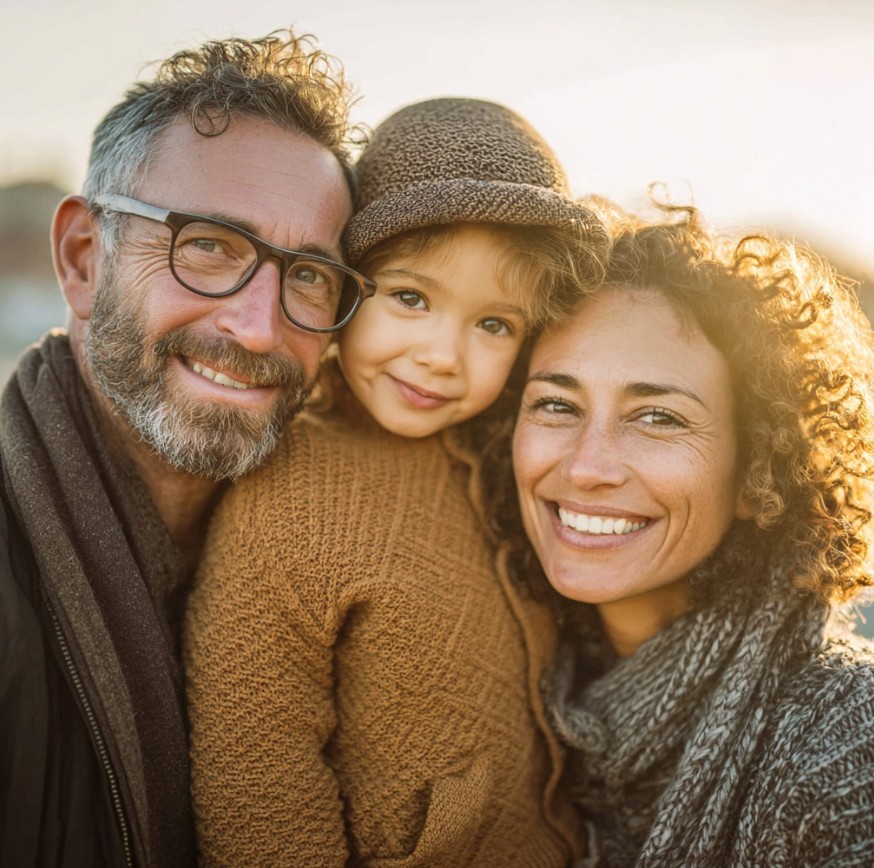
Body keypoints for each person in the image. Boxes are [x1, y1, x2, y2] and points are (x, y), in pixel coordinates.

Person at [183, 98, 609, 866]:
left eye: (494, 325)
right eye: (411, 299)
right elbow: (258, 777)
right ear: (341, 287)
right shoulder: (289, 493)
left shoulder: (505, 462)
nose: (444, 355)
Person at [0, 31, 371, 867]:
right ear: (84, 259)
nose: (258, 326)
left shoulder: (332, 568)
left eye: (310, 275)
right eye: (208, 245)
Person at [493, 204, 874, 866]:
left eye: (658, 417)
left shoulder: (845, 742)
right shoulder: (520, 696)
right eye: (557, 404)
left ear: (761, 471)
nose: (586, 467)